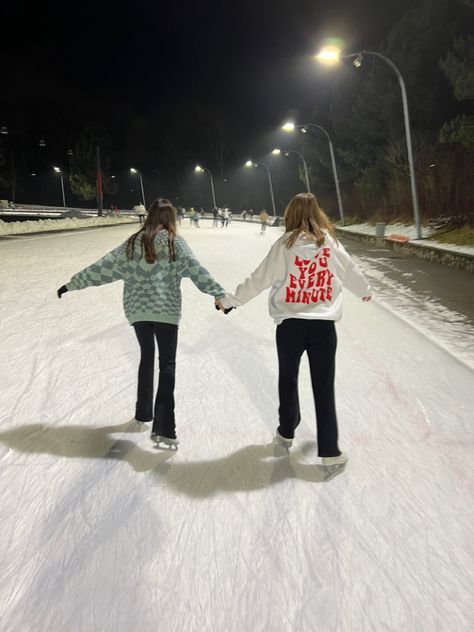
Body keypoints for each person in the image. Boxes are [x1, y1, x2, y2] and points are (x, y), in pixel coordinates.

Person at [57, 199, 227, 448]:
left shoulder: (132, 243)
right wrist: (219, 293)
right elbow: (196, 269)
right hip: (166, 311)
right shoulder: (174, 242)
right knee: (166, 365)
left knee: (147, 358)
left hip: (138, 311)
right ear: (170, 218)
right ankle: (164, 428)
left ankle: (143, 413)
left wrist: (73, 283)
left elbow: (103, 267)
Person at [217, 192, 371, 466]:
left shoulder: (283, 246)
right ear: (317, 212)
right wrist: (365, 290)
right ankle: (330, 452)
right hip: (323, 327)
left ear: (290, 214)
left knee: (288, 379)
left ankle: (286, 432)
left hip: (290, 327)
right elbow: (349, 271)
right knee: (323, 387)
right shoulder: (330, 243)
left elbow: (258, 279)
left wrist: (231, 301)